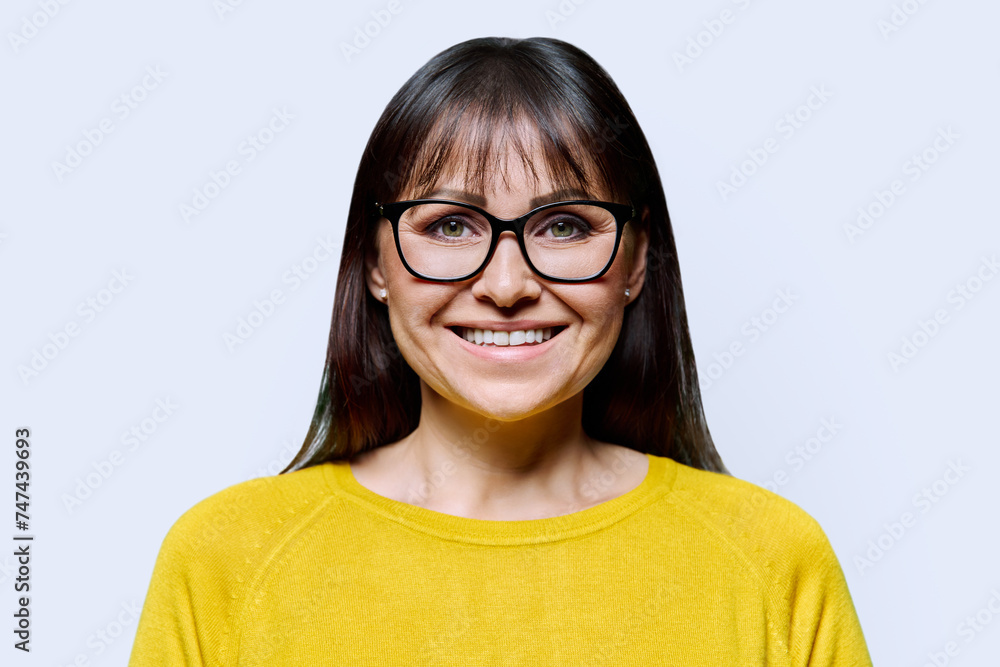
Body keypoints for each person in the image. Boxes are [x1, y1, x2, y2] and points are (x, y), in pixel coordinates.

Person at [128, 36, 873, 665]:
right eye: (451, 226)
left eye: (566, 226)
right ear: (374, 265)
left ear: (637, 262)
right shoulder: (226, 558)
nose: (508, 284)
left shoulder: (773, 560)